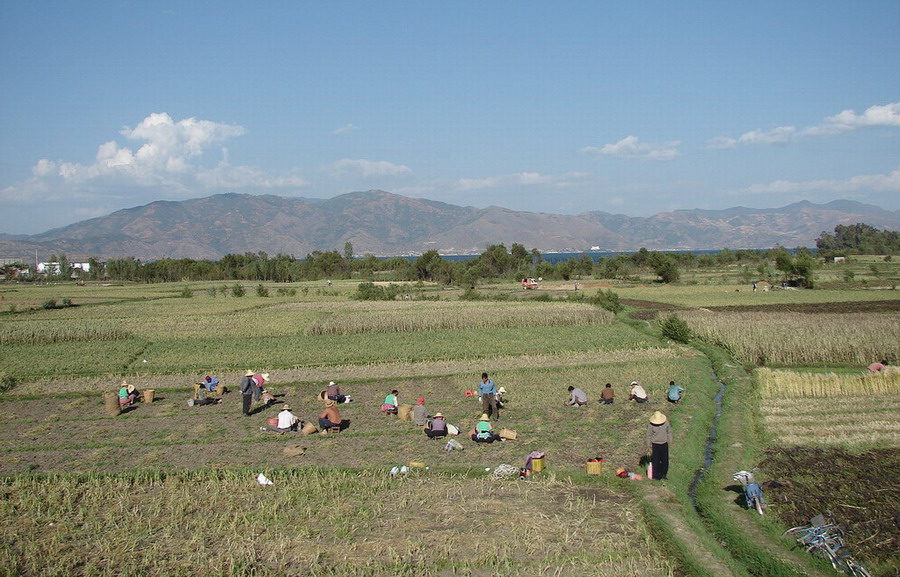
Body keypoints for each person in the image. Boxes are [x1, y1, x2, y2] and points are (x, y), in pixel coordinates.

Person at [646, 411, 672, 480]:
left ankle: (664, 474)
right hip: (655, 445)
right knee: (656, 460)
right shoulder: (651, 425)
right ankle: (656, 475)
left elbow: (669, 431)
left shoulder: (666, 423)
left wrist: (670, 440)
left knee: (665, 460)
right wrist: (648, 445)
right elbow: (648, 435)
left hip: (664, 444)